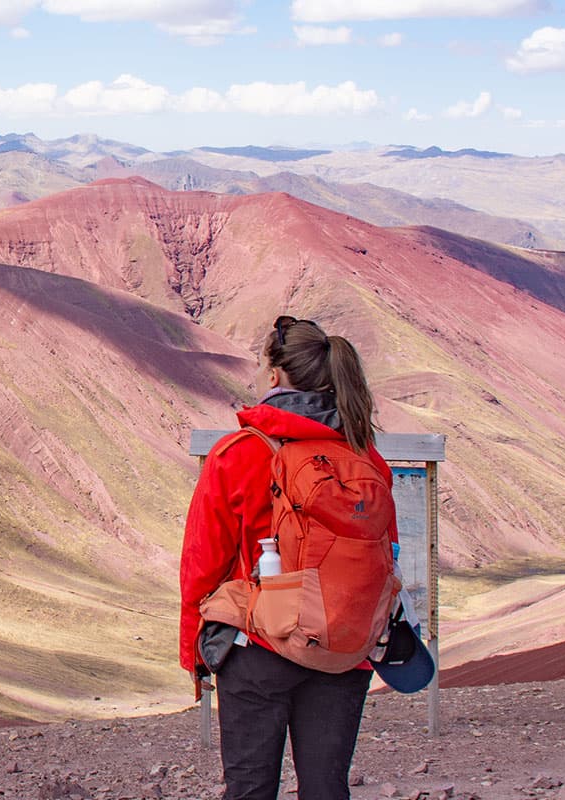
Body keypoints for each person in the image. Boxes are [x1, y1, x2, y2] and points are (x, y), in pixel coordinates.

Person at [180, 315, 393, 800]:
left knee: (251, 789)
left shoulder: (236, 453)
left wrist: (195, 651)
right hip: (341, 649)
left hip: (258, 646)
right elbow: (384, 554)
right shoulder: (366, 460)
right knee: (326, 789)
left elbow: (202, 564)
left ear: (274, 376)